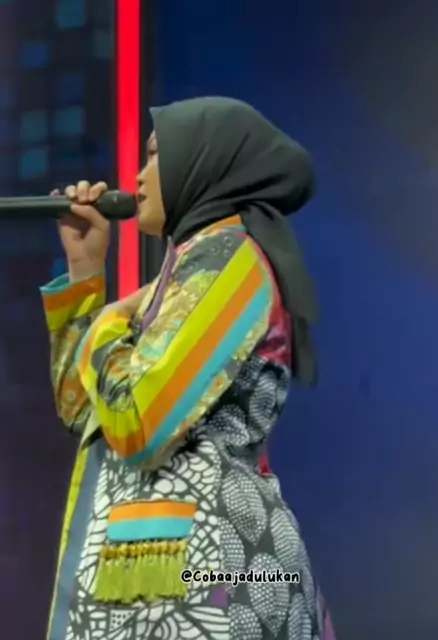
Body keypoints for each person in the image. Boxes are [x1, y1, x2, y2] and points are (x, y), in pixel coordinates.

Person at [41, 97, 336, 640]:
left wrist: (109, 320)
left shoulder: (230, 261)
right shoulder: (180, 274)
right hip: (158, 575)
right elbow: (87, 413)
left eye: (155, 154)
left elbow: (137, 421)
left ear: (204, 160)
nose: (139, 175)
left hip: (214, 573)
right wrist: (85, 272)